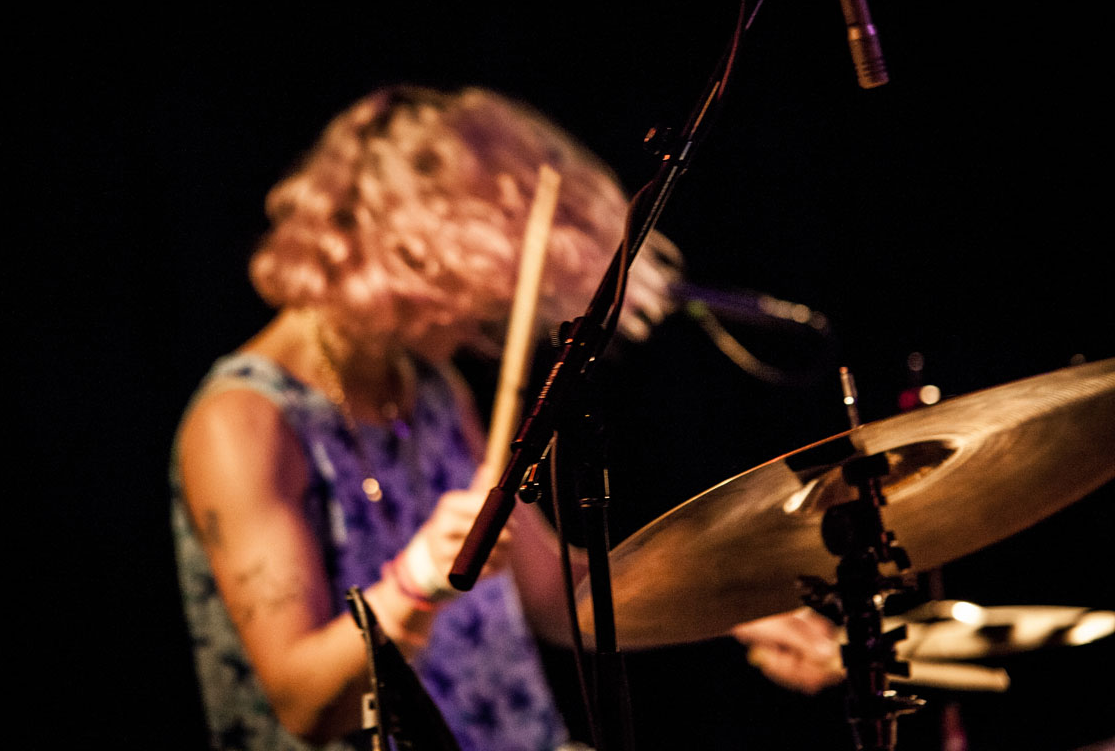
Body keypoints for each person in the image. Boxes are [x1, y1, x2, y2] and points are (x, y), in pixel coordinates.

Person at [171, 84, 841, 751]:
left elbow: (558, 598)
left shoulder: (426, 387)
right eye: (460, 298)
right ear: (400, 254)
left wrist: (733, 605)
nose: (474, 326)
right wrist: (416, 583)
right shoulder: (244, 421)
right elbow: (303, 705)